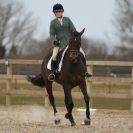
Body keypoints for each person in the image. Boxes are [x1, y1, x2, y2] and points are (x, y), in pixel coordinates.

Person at [48, 3, 91, 81]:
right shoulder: (53, 22)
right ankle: (53, 73)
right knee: (54, 56)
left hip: (71, 44)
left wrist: (77, 35)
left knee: (83, 54)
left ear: (62, 12)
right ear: (54, 13)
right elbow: (51, 34)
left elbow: (73, 30)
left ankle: (85, 72)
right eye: (56, 12)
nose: (58, 13)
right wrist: (54, 41)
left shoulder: (67, 20)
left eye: (59, 11)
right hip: (59, 43)